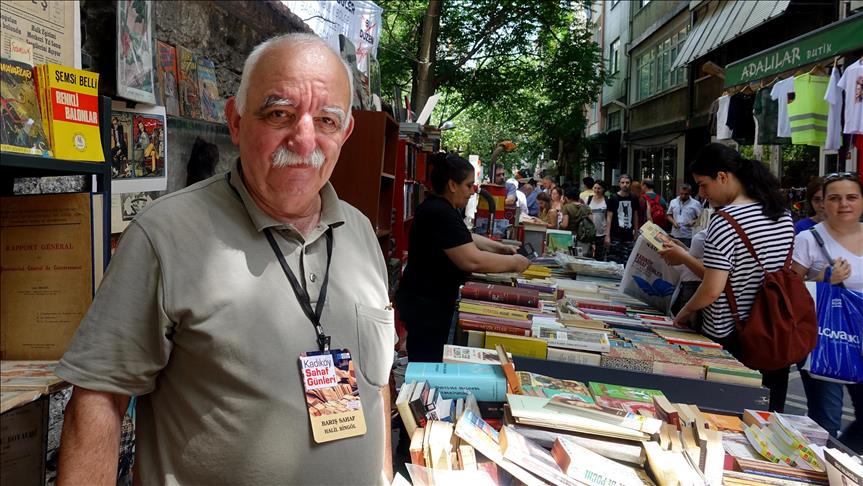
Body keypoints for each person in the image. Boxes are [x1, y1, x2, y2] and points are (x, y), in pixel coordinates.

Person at [56, 33, 397, 485]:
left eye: (326, 120)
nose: (304, 139)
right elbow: (99, 398)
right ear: (235, 122)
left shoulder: (360, 233)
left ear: (345, 133)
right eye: (280, 114)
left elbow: (375, 385)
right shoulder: (164, 235)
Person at [674, 143, 795, 412]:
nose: (702, 194)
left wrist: (685, 311)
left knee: (722, 416)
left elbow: (712, 289)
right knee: (763, 418)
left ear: (723, 176)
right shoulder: (782, 215)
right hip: (773, 332)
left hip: (731, 336)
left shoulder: (725, 221)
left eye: (703, 185)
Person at [396, 153, 530, 363]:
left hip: (427, 305)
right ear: (452, 185)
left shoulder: (441, 208)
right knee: (427, 367)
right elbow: (472, 260)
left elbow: (463, 237)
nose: (472, 191)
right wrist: (515, 263)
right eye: (468, 185)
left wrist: (501, 248)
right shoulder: (440, 212)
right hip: (427, 309)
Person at [791, 173, 862, 453]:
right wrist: (822, 278)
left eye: (851, 197)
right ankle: (824, 467)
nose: (843, 204)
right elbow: (788, 287)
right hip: (823, 337)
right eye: (834, 198)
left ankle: (841, 459)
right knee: (826, 420)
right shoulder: (808, 239)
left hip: (861, 339)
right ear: (822, 204)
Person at [604, 174, 641, 264]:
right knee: (614, 261)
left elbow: (635, 216)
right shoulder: (613, 198)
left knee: (627, 261)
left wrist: (636, 232)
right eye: (623, 182)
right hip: (615, 235)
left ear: (630, 184)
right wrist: (607, 235)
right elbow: (609, 217)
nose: (625, 185)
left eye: (627, 183)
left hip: (629, 235)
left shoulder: (634, 198)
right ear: (619, 184)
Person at [561, 186, 594, 257]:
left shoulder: (566, 207)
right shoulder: (586, 207)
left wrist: (560, 224)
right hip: (583, 238)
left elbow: (565, 224)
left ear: (566, 197)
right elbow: (591, 223)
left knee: (569, 258)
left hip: (569, 237)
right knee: (581, 258)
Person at [668, 183, 703, 248]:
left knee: (685, 253)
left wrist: (694, 221)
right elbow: (669, 215)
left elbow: (701, 218)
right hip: (675, 234)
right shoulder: (673, 202)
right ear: (679, 192)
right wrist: (673, 222)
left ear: (690, 193)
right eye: (681, 194)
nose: (683, 196)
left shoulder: (696, 204)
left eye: (686, 194)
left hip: (688, 236)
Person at [586, 180, 608, 261]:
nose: (596, 190)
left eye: (599, 188)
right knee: (588, 256)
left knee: (600, 256)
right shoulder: (588, 199)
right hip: (590, 232)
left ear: (603, 189)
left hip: (602, 233)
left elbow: (608, 217)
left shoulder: (607, 200)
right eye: (595, 188)